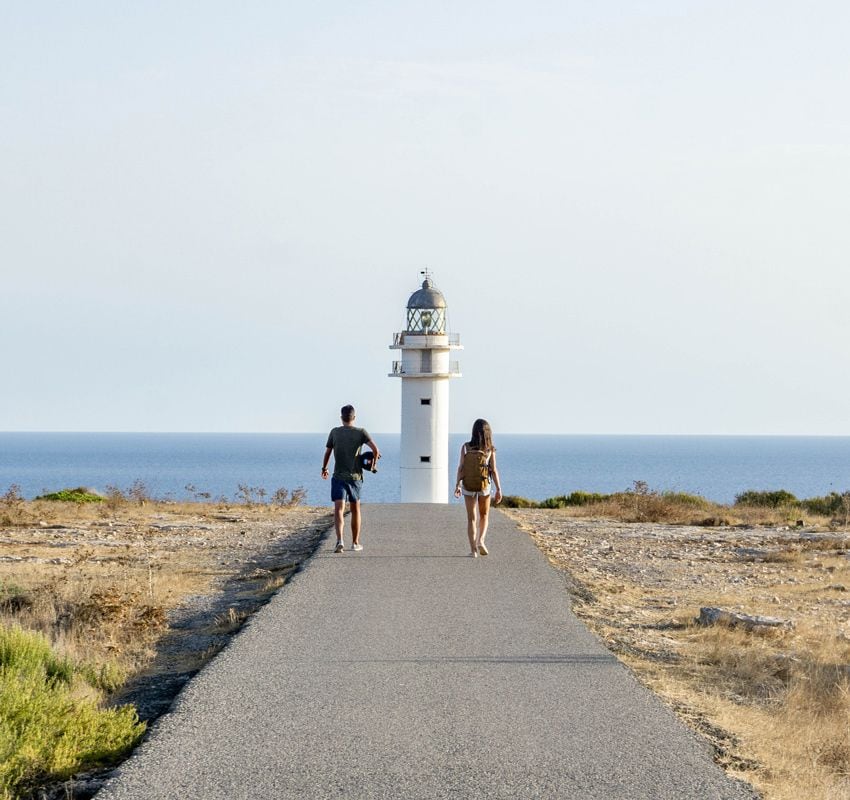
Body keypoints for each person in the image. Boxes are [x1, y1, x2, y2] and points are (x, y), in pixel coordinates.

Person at [322, 405, 380, 553]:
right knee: (355, 510)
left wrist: (324, 468)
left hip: (338, 476)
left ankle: (340, 540)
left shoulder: (334, 432)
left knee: (339, 509)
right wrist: (373, 465)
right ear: (354, 418)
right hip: (355, 478)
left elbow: (328, 452)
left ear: (341, 418)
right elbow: (375, 450)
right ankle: (355, 543)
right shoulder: (361, 432)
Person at [454, 418, 502, 557]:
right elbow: (493, 470)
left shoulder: (465, 447)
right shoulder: (490, 449)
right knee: (484, 515)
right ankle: (481, 540)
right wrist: (498, 489)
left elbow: (461, 468)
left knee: (471, 518)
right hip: (484, 486)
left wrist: (457, 485)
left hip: (468, 485)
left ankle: (473, 550)